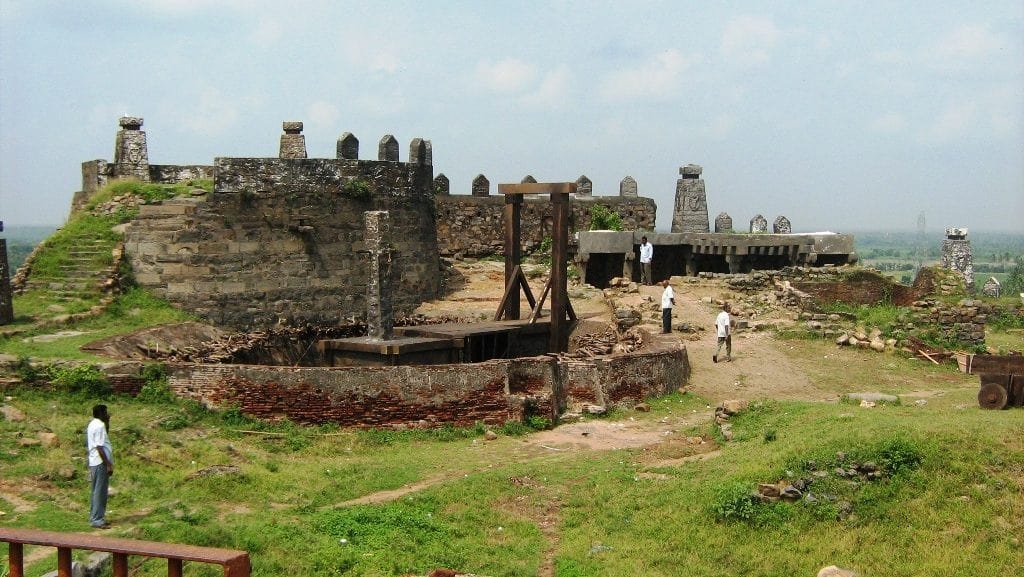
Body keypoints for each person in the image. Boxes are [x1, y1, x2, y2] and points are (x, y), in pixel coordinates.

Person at [86, 404, 114, 528]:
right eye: (105, 413)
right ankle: (97, 520)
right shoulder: (100, 425)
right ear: (101, 413)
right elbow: (99, 446)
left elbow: (103, 438)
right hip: (100, 462)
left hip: (94, 461)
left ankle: (94, 516)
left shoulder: (92, 424)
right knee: (100, 491)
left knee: (96, 490)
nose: (107, 414)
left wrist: (107, 422)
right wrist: (107, 463)